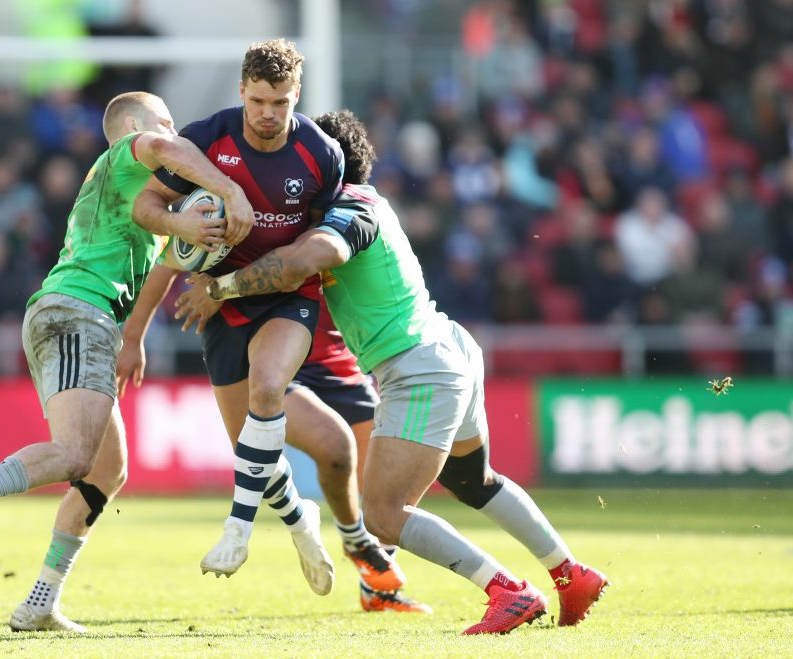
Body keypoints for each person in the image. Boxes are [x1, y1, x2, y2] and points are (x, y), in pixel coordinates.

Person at [176, 109, 610, 635]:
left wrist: (219, 288)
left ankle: (508, 591)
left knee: (383, 513)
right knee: (473, 481)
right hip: (447, 348)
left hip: (418, 368)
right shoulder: (357, 203)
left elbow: (302, 262)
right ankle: (572, 574)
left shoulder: (350, 206)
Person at [0, 90, 255, 632]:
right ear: (131, 128)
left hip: (76, 317)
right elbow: (166, 147)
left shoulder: (131, 195)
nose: (173, 134)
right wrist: (231, 189)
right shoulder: (128, 152)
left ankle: (41, 600)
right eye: (163, 123)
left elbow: (168, 246)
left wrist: (134, 336)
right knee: (76, 455)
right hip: (80, 313)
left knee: (106, 471)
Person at [132, 39, 344, 593]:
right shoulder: (207, 139)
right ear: (241, 93)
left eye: (280, 102)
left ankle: (237, 527)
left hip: (287, 297)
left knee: (268, 388)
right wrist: (182, 229)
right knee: (254, 447)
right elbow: (145, 207)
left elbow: (316, 248)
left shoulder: (321, 156)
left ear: (297, 95)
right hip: (217, 303)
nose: (268, 114)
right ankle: (302, 523)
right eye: (257, 102)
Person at [119, 273, 431, 613]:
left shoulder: (341, 221)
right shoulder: (251, 223)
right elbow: (172, 260)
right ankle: (350, 537)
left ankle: (377, 587)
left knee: (382, 479)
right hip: (275, 359)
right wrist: (134, 336)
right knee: (329, 449)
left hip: (339, 361)